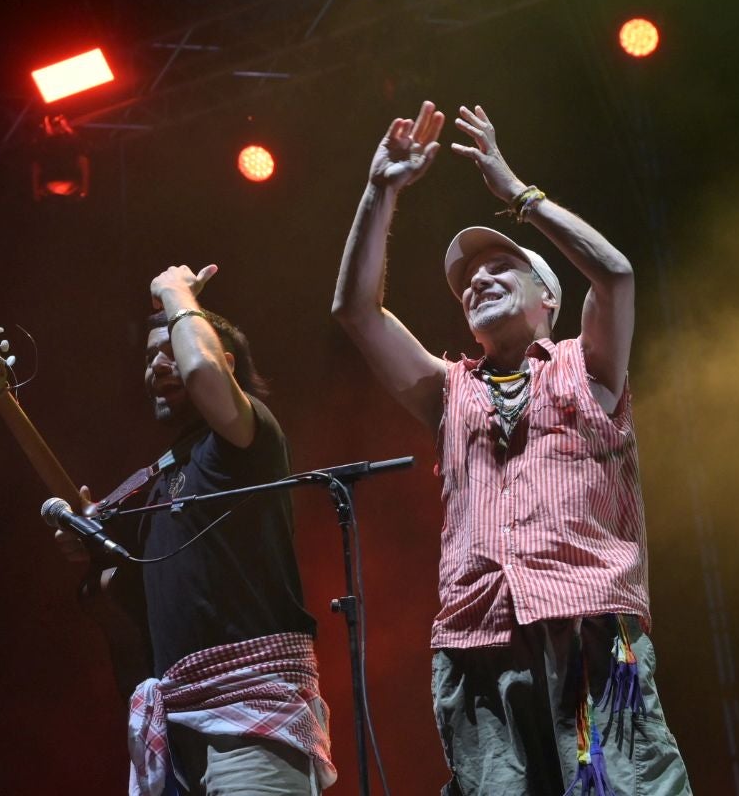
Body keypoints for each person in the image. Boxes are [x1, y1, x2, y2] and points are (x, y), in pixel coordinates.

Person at [332, 102, 691, 795]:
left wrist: (518, 195)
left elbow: (614, 274)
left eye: (501, 267)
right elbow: (356, 313)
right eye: (468, 281)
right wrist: (381, 190)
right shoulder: (449, 390)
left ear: (548, 297)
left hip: (587, 628)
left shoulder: (589, 369)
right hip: (480, 640)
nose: (477, 280)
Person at [57, 264, 336, 796]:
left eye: (171, 351)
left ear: (223, 364)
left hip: (249, 719)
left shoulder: (245, 440)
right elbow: (126, 605)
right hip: (179, 728)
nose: (158, 367)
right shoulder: (161, 477)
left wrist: (174, 290)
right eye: (147, 359)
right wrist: (93, 558)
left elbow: (205, 373)